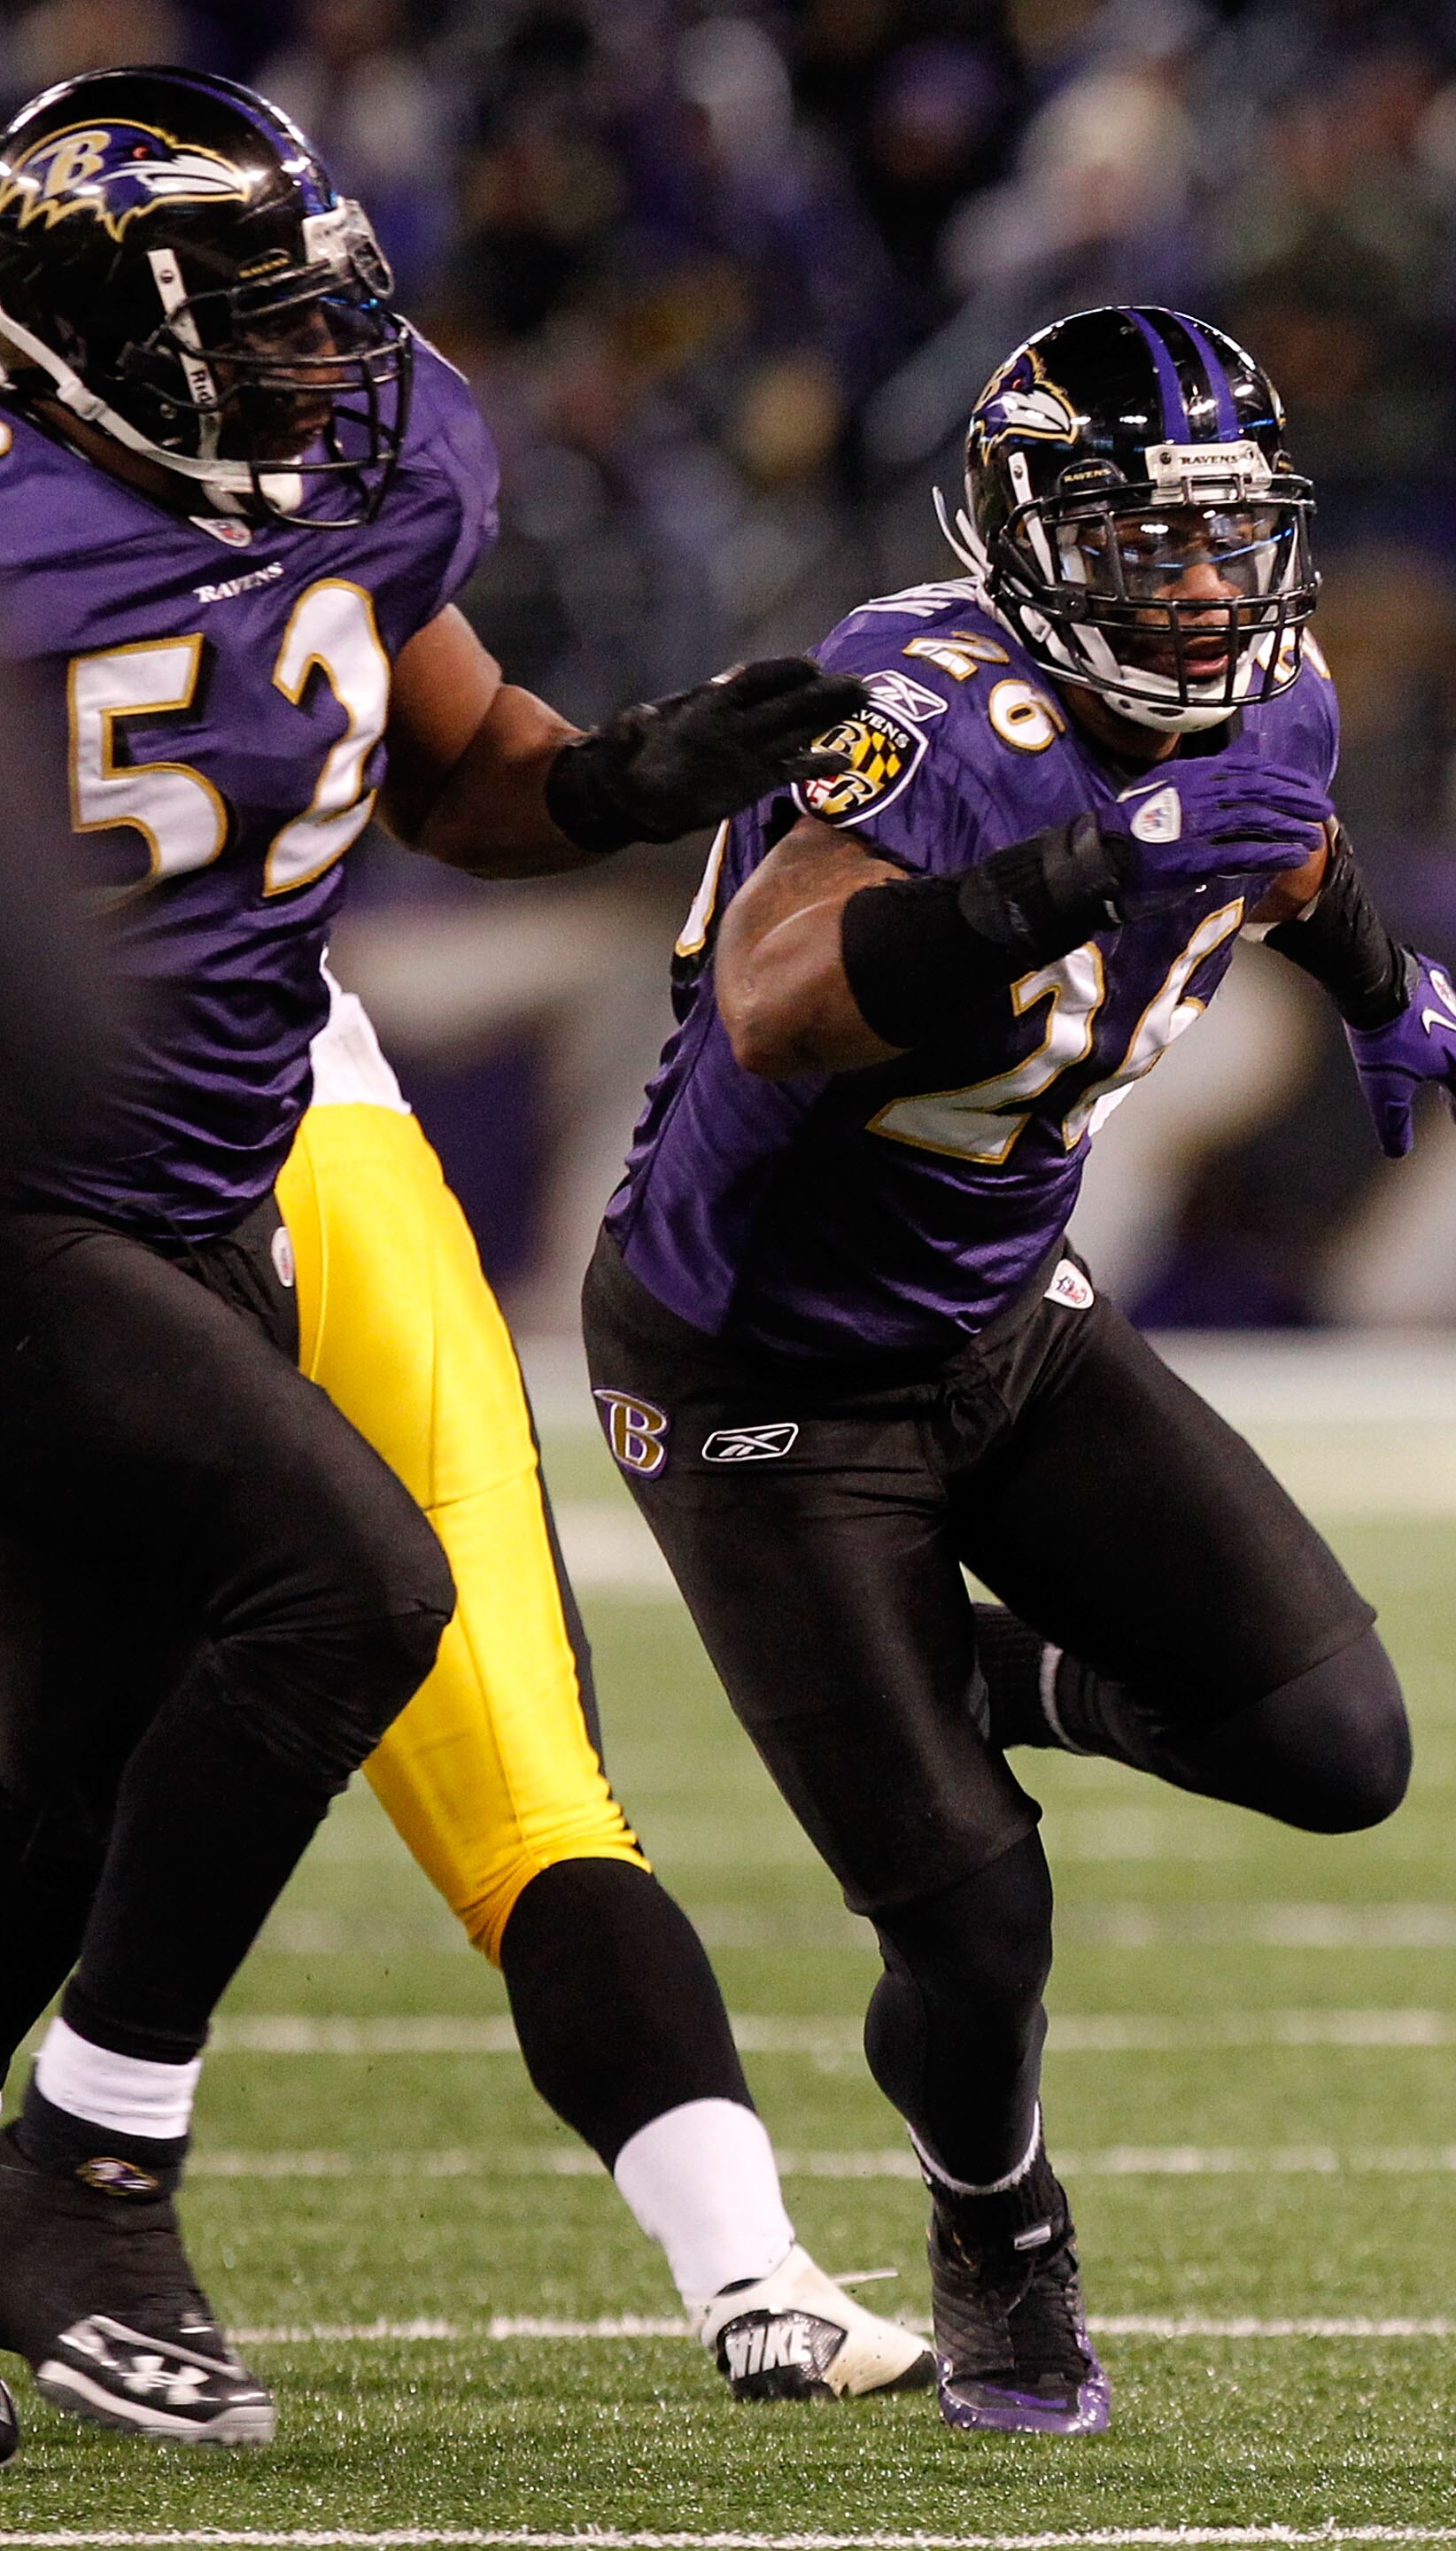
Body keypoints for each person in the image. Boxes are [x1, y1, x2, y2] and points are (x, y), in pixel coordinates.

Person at [0, 67, 932, 2446]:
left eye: (319, 309)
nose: (315, 361)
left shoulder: (369, 462)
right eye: (246, 319)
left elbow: (451, 760)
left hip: (197, 1187)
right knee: (357, 1586)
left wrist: (624, 782)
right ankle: (94, 2156)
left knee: (68, 1782)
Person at [583, 305, 1456, 2437]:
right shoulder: (926, 709)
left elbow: (1292, 848)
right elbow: (784, 1001)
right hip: (760, 1378)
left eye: (1222, 537)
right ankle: (998, 2226)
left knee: (1340, 1744)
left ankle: (985, 1674)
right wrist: (1089, 862)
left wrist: (1378, 988)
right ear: (1018, 535)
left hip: (999, 1317)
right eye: (1131, 532)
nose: (1190, 582)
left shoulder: (1275, 695)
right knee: (978, 1930)